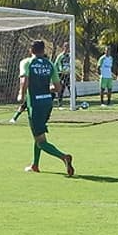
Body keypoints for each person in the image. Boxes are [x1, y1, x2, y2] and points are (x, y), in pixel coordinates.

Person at [17, 40, 74, 176]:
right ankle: (35, 165)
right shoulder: (50, 65)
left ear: (31, 50)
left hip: (35, 104)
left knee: (41, 141)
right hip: (47, 103)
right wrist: (44, 89)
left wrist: (21, 94)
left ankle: (63, 157)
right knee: (38, 134)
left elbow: (24, 80)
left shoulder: (26, 62)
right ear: (44, 51)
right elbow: (58, 88)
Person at [54, 41, 71, 108]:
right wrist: (59, 71)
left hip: (68, 74)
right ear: (63, 47)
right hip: (61, 74)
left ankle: (72, 102)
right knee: (61, 89)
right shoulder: (60, 56)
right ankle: (60, 104)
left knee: (71, 88)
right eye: (66, 47)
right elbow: (56, 65)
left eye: (68, 47)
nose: (67, 48)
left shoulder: (70, 56)